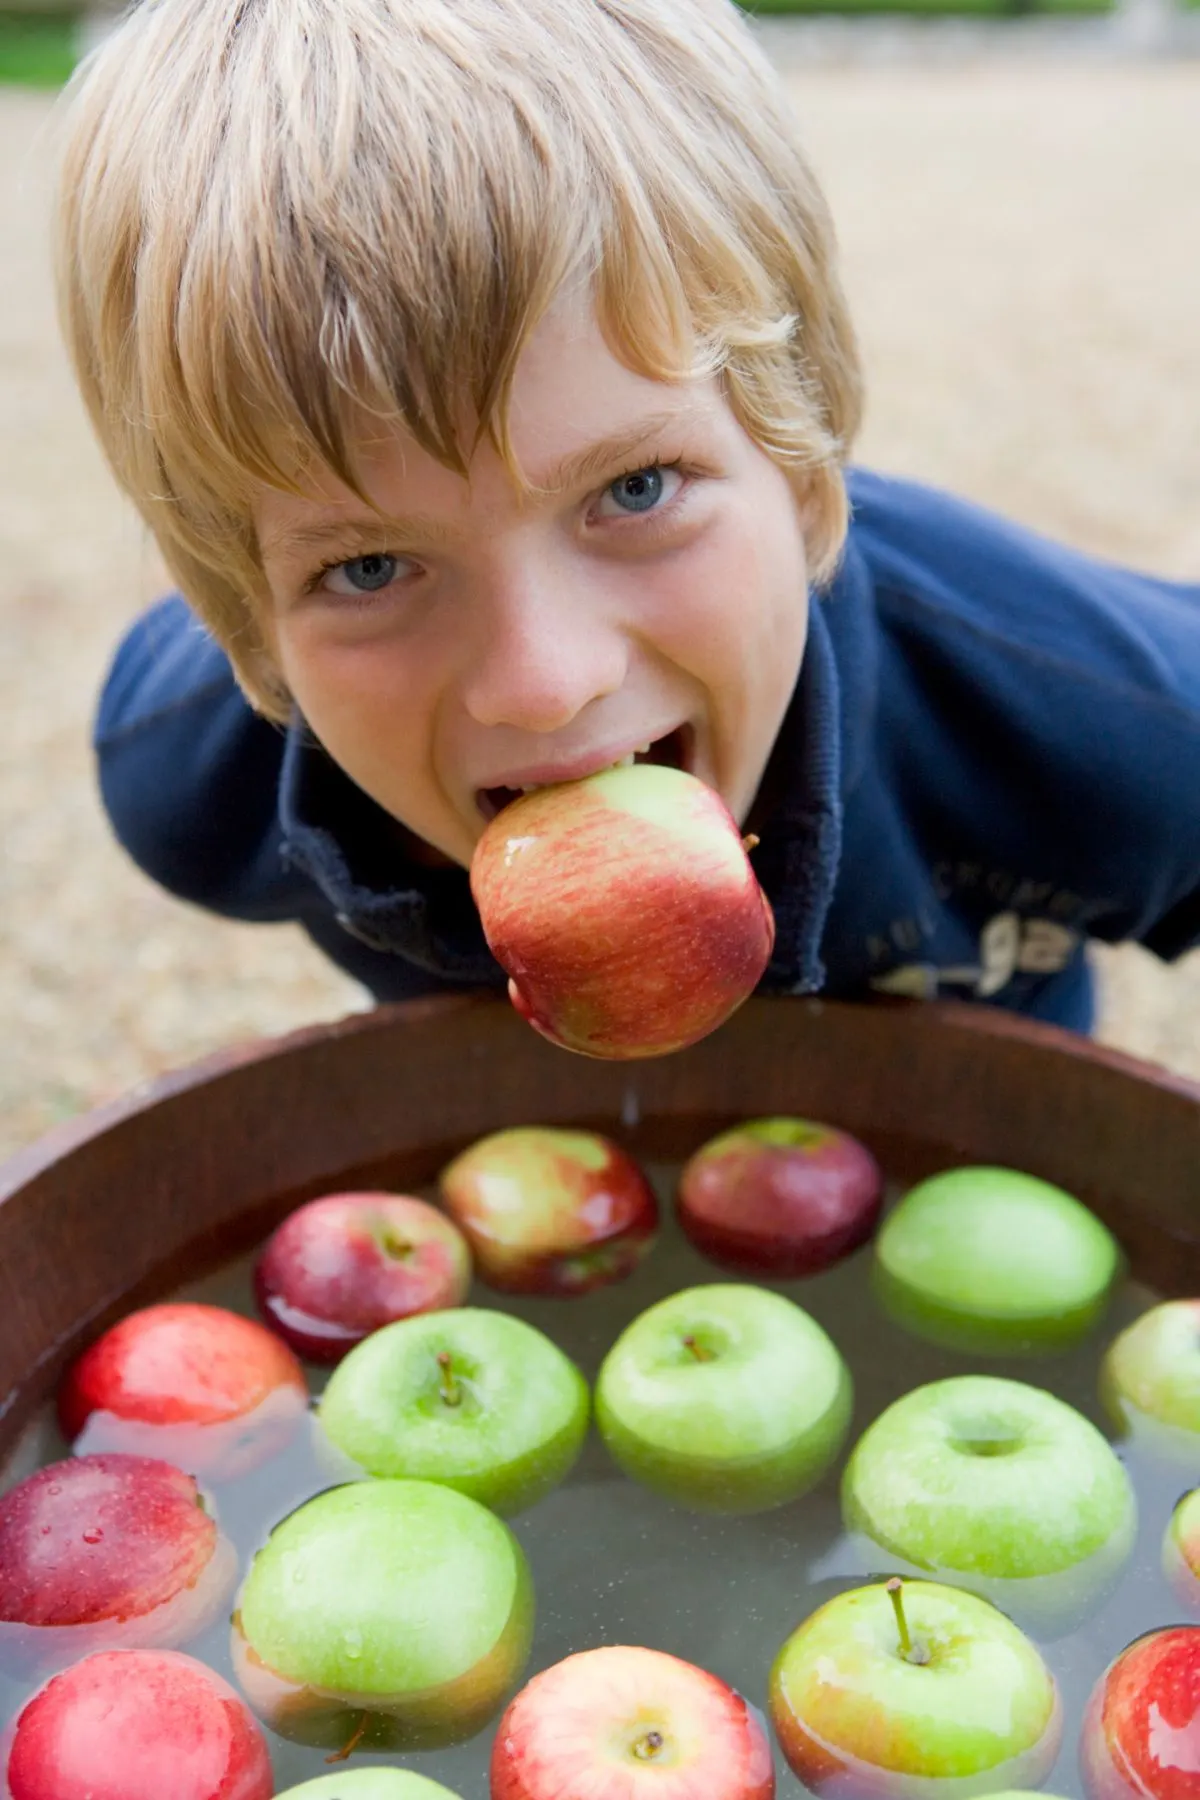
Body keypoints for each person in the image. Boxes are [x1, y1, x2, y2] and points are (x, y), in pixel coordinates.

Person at [57, 0, 1199, 1037]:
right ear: (255, 635)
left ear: (802, 473)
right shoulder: (190, 785)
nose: (545, 682)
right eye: (370, 567)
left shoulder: (1085, 715)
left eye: (634, 490)